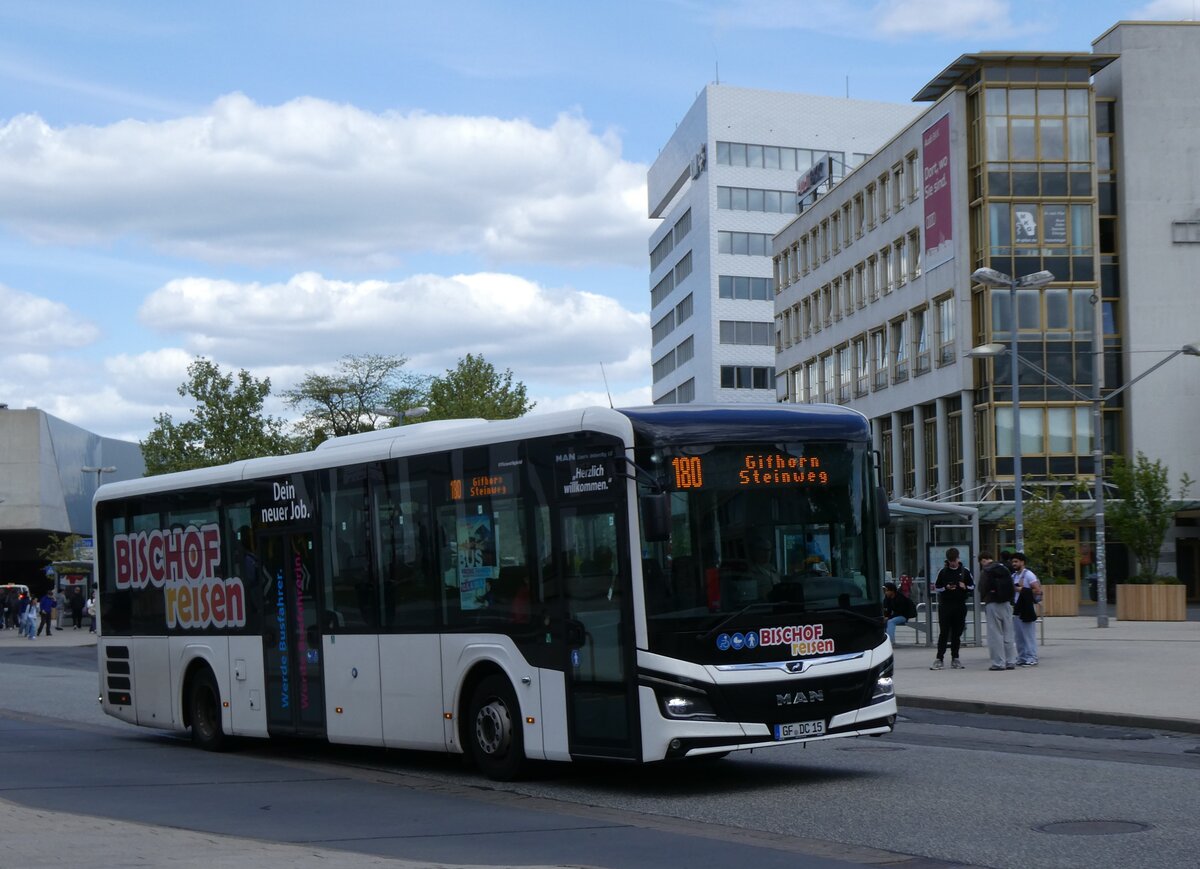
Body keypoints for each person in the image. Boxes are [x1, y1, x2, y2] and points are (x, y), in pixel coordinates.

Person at [930, 547, 974, 670]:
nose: (953, 563)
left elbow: (972, 586)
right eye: (951, 561)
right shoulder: (943, 572)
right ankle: (939, 658)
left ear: (958, 559)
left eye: (954, 560)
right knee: (944, 632)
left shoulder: (965, 571)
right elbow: (937, 587)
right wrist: (946, 587)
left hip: (960, 605)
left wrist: (964, 586)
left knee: (957, 633)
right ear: (948, 561)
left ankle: (955, 658)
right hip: (945, 605)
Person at [978, 552, 1016, 671]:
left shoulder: (986, 571)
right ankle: (1011, 661)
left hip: (992, 603)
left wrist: (985, 597)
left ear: (983, 560)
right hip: (1006, 604)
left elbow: (981, 588)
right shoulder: (1004, 568)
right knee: (1008, 633)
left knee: (995, 634)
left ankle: (998, 662)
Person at [1011, 552, 1041, 666]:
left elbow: (1037, 590)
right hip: (1017, 607)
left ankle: (1032, 657)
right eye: (1013, 562)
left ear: (1022, 562)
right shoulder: (1013, 576)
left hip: (1027, 607)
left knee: (1028, 634)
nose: (1014, 564)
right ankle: (1022, 657)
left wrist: (1021, 590)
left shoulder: (1029, 575)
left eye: (1016, 561)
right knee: (1019, 635)